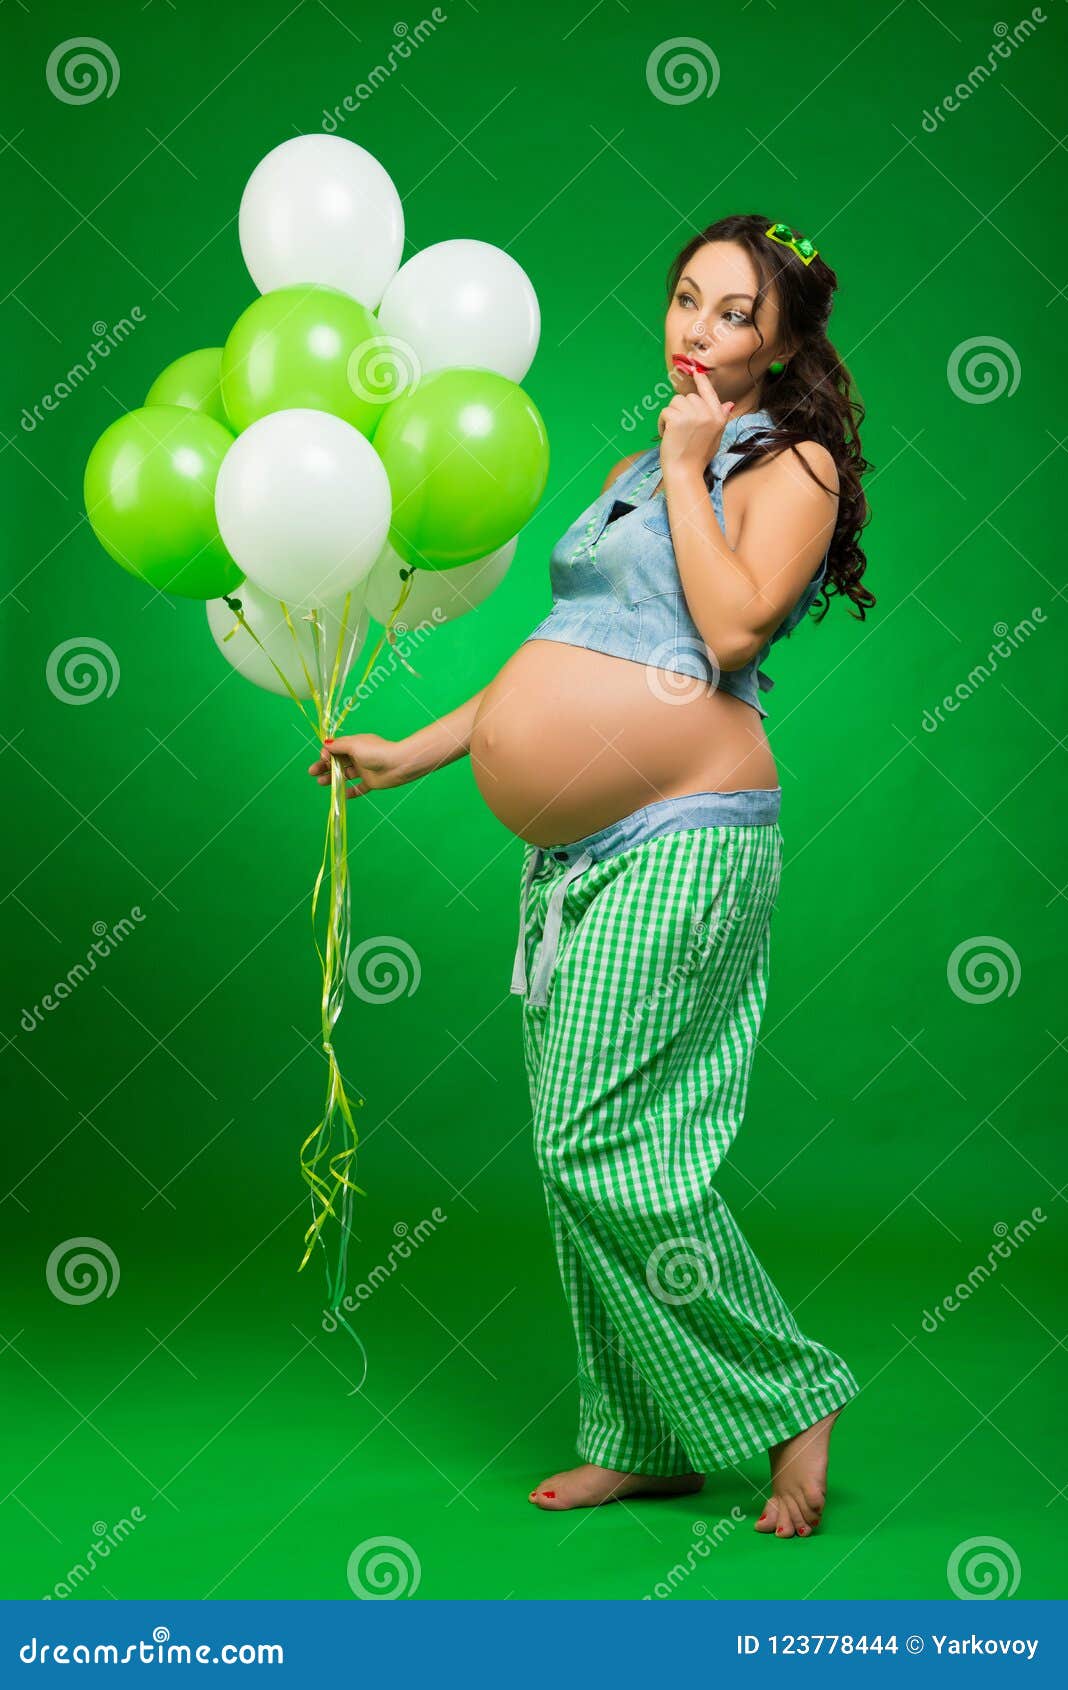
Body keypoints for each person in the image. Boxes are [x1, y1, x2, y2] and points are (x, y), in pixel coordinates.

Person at [308, 215, 875, 1539]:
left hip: (687, 827)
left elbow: (730, 627)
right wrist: (423, 752)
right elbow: (562, 641)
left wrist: (689, 464)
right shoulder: (634, 459)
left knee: (600, 1146)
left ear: (784, 338)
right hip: (575, 851)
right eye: (687, 297)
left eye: (736, 312)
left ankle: (792, 1390)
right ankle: (643, 1434)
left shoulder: (794, 462)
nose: (699, 327)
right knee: (577, 1151)